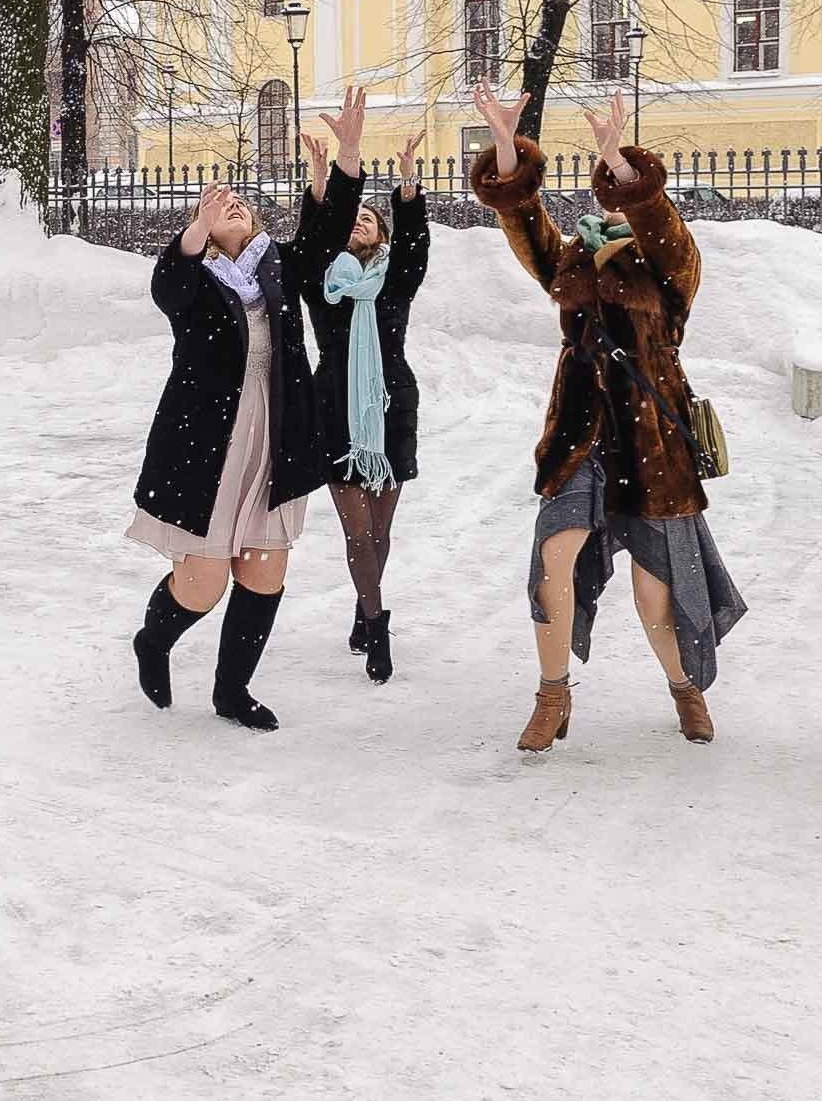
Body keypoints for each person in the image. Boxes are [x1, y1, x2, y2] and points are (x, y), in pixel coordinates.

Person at [467, 82, 748, 754]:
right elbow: (525, 223)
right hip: (579, 434)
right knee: (551, 558)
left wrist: (618, 157)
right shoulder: (570, 257)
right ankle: (552, 691)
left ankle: (685, 686)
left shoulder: (671, 265)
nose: (613, 201)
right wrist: (506, 147)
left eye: (624, 193)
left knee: (656, 595)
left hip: (651, 436)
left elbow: (663, 224)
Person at [126, 88, 370, 731]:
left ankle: (231, 691)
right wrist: (195, 234)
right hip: (206, 444)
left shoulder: (279, 268)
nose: (234, 204)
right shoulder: (196, 278)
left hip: (277, 437)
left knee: (263, 571)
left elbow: (326, 236)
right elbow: (166, 289)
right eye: (221, 205)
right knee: (203, 583)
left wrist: (347, 156)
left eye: (241, 204)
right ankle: (153, 642)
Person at [297, 125, 431, 684]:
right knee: (357, 532)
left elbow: (417, 242)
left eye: (369, 221)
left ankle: (362, 604)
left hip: (390, 403)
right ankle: (376, 626)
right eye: (353, 219)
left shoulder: (394, 282)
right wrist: (322, 187)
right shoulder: (321, 283)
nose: (359, 223)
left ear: (380, 238)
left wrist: (406, 187)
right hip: (334, 406)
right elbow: (311, 238)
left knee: (379, 531)